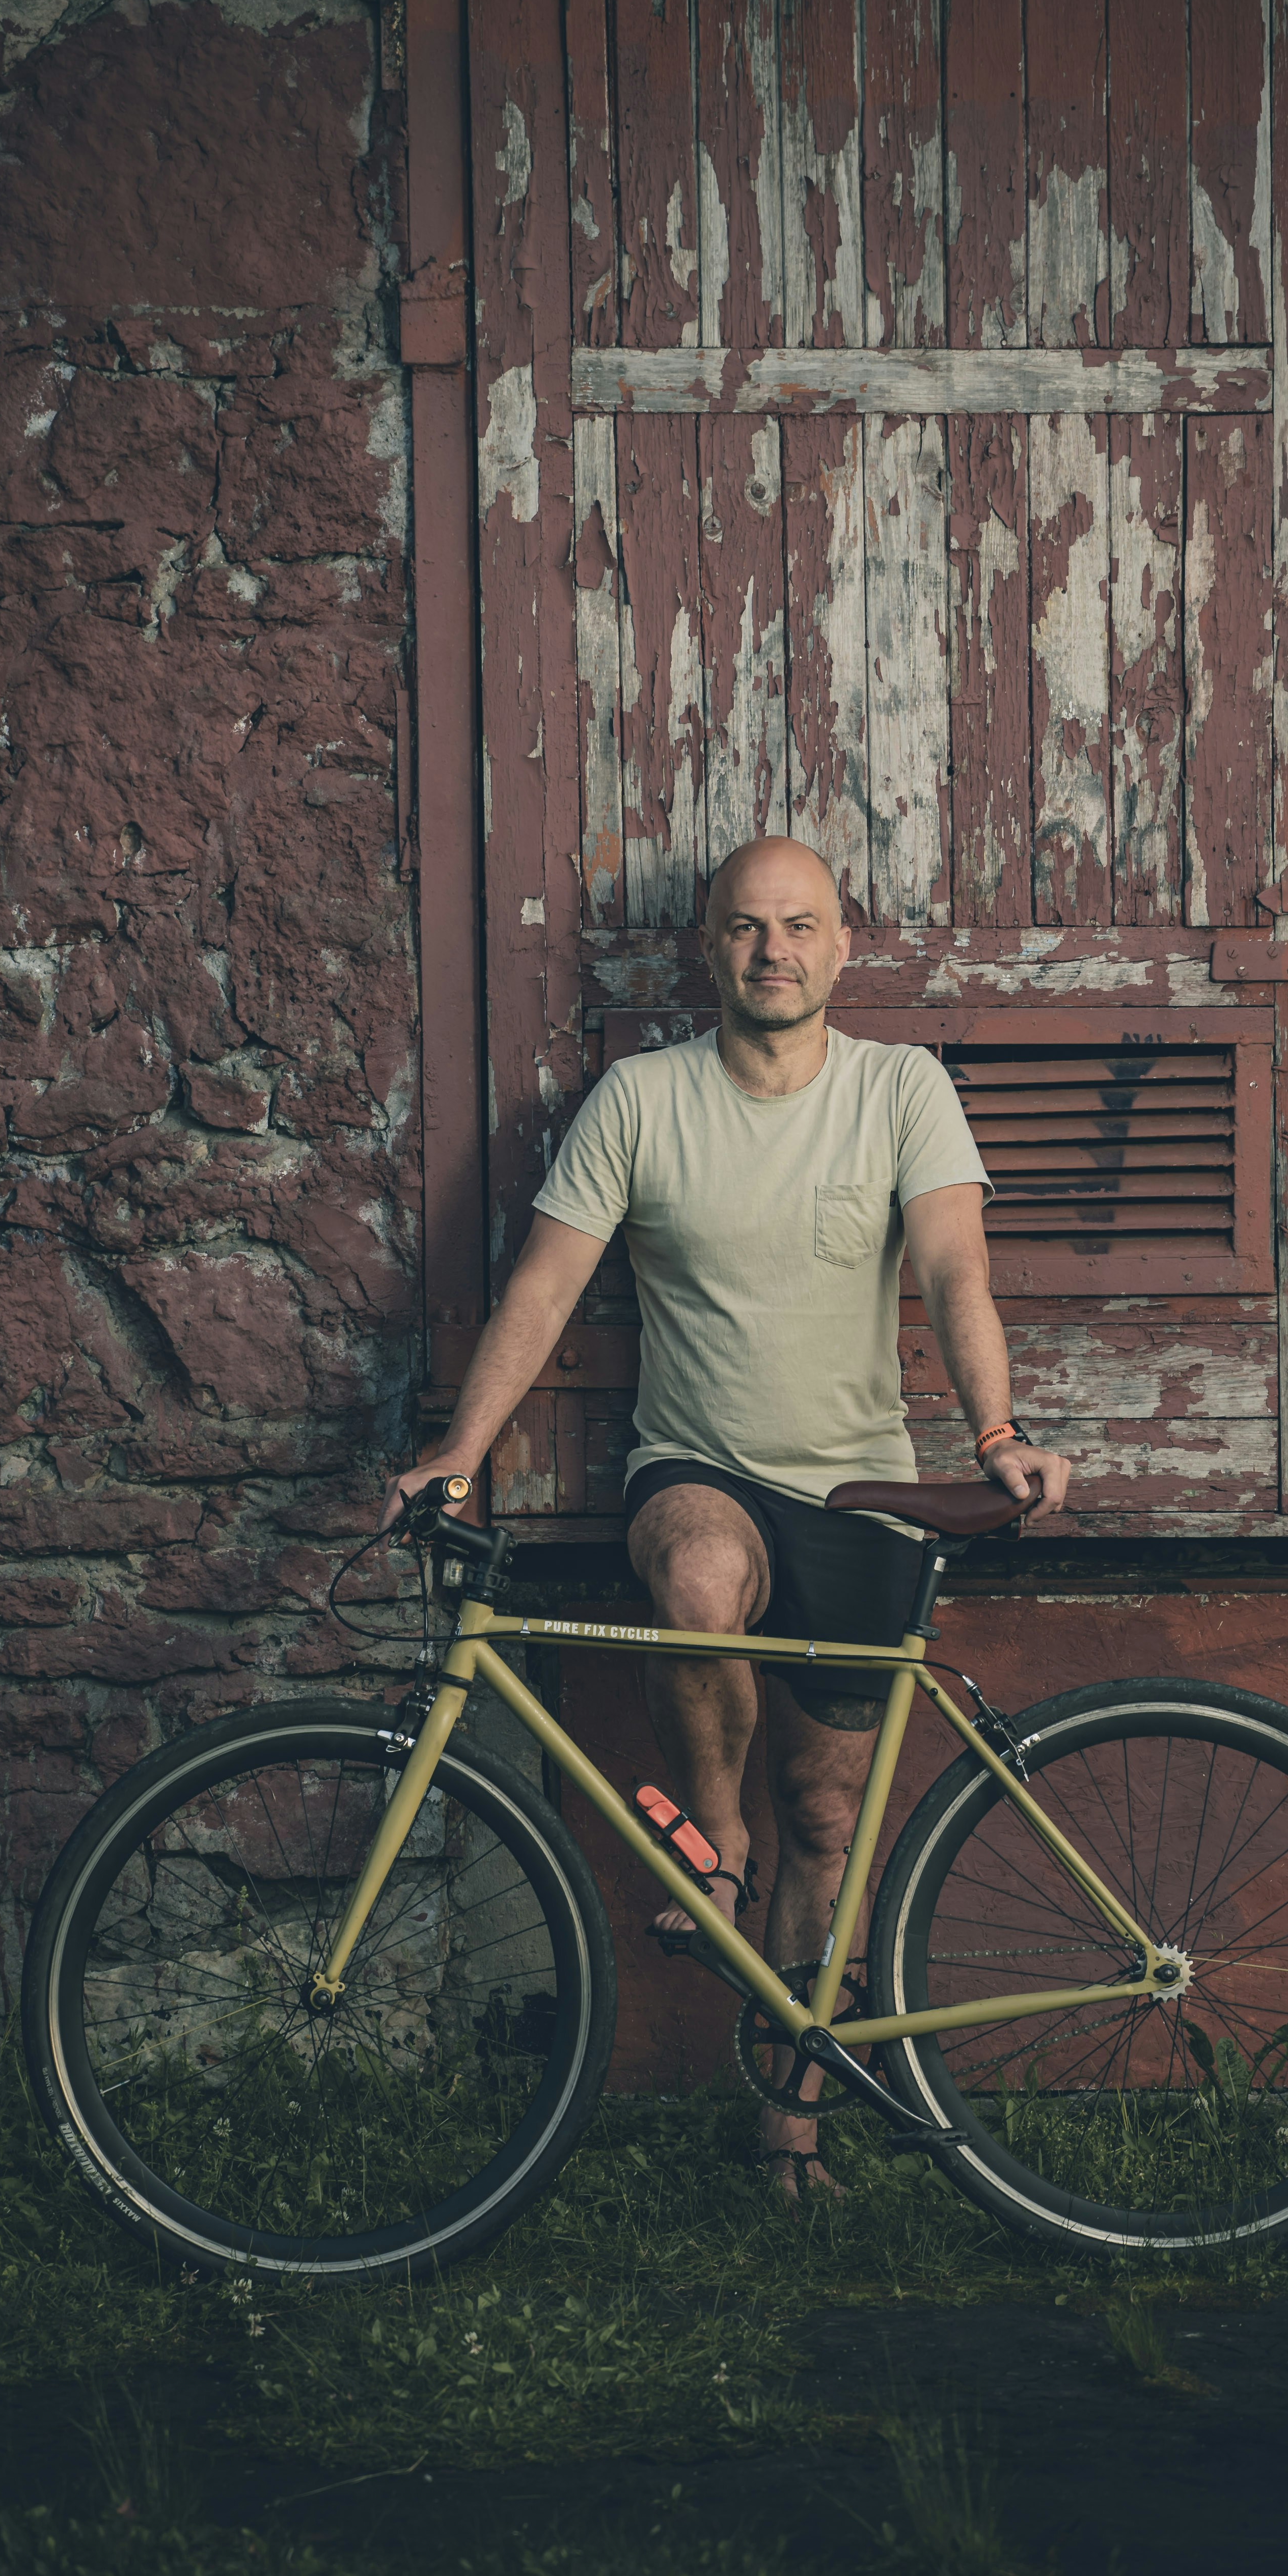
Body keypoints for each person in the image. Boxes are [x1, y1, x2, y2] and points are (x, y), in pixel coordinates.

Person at [383, 837, 1071, 2196]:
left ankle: (791, 2131)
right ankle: (711, 1842)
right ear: (710, 948)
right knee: (697, 1575)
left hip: (859, 1491)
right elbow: (544, 1287)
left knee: (830, 1820)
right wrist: (460, 1452)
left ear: (841, 945)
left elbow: (956, 1267)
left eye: (800, 927)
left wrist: (994, 1430)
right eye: (748, 929)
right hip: (698, 1467)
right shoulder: (642, 1099)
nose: (774, 952)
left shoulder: (900, 1091)